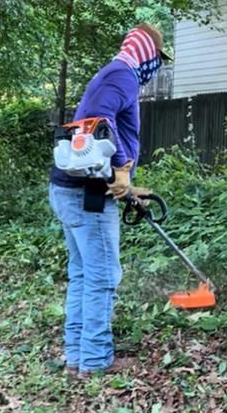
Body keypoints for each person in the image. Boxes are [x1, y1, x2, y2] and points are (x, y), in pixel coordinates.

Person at [49, 22, 170, 378]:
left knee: (83, 274)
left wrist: (128, 187)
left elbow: (96, 138)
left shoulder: (113, 73)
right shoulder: (123, 76)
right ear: (147, 53)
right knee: (102, 277)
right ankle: (96, 361)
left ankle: (76, 356)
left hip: (73, 189)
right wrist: (120, 170)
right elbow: (98, 120)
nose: (157, 66)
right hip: (88, 196)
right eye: (157, 59)